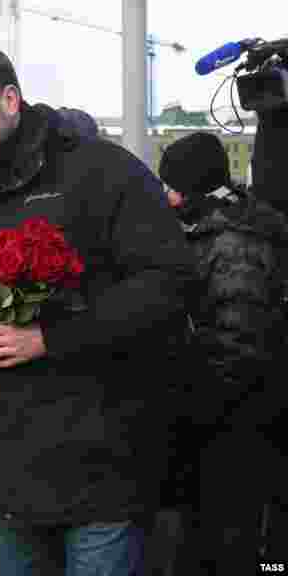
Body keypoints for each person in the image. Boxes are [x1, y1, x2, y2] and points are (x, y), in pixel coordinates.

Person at [0, 44, 195, 575]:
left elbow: (168, 283)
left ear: (10, 100)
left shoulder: (102, 173)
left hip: (103, 471)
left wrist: (52, 337)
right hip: (3, 475)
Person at [159, 131, 288, 573]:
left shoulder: (235, 242)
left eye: (171, 186)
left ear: (192, 186)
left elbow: (238, 342)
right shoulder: (218, 225)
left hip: (233, 413)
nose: (167, 196)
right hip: (221, 408)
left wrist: (198, 401)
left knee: (227, 529)